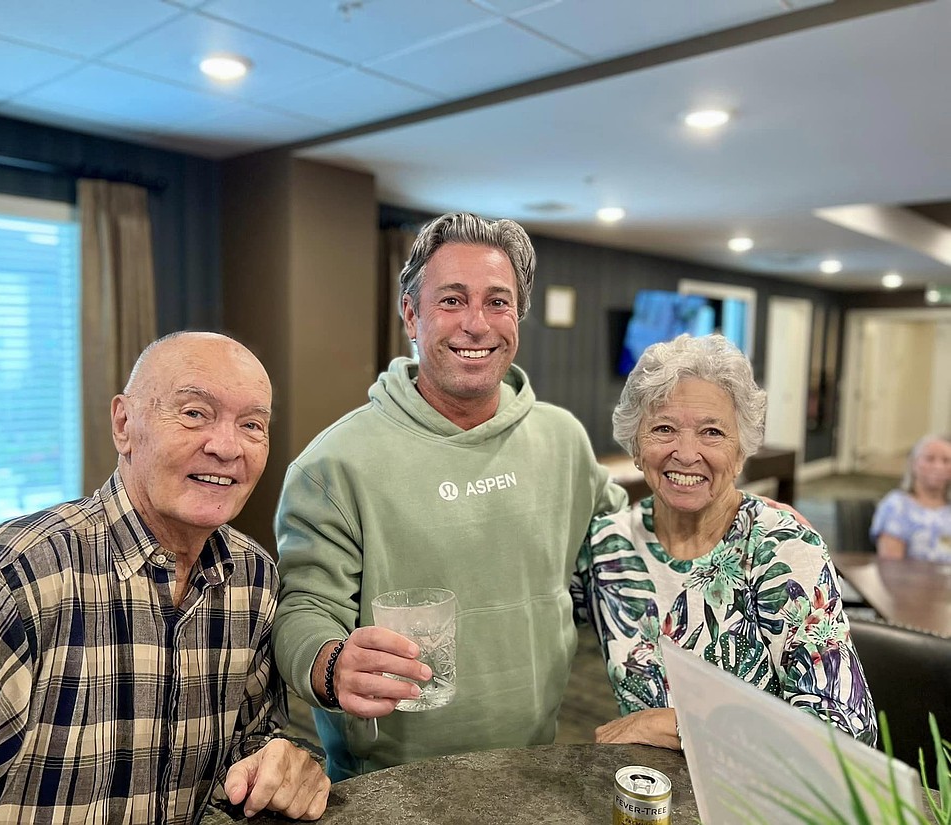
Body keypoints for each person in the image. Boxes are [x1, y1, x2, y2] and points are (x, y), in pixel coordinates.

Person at [0, 332, 330, 823]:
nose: (227, 447)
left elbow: (251, 747)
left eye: (252, 425)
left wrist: (284, 764)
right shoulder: (24, 572)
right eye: (194, 414)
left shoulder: (252, 579)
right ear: (124, 424)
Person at [272, 212, 628, 779]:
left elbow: (628, 539)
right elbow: (304, 608)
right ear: (411, 314)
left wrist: (735, 519)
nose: (476, 325)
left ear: (519, 316)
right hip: (388, 782)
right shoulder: (332, 464)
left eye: (497, 302)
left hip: (535, 759)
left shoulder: (563, 439)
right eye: (453, 300)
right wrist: (332, 663)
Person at [573, 333, 877, 749]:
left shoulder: (784, 550)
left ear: (740, 453)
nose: (686, 452)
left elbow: (846, 729)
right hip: (652, 791)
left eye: (712, 432)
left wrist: (683, 726)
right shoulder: (607, 545)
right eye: (663, 428)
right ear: (636, 447)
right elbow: (529, 616)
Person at [870, 434, 951, 561]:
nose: (938, 467)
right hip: (908, 580)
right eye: (930, 459)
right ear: (913, 463)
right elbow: (891, 566)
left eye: (946, 461)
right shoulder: (897, 506)